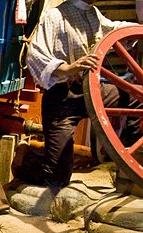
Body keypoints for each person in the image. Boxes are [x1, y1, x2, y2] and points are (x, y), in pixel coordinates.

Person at [13, 0, 139, 188]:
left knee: (137, 98)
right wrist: (69, 68)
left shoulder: (93, 13)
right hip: (62, 97)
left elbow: (114, 29)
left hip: (92, 89)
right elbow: (35, 55)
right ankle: (25, 158)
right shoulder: (55, 16)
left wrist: (136, 29)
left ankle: (132, 155)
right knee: (56, 176)